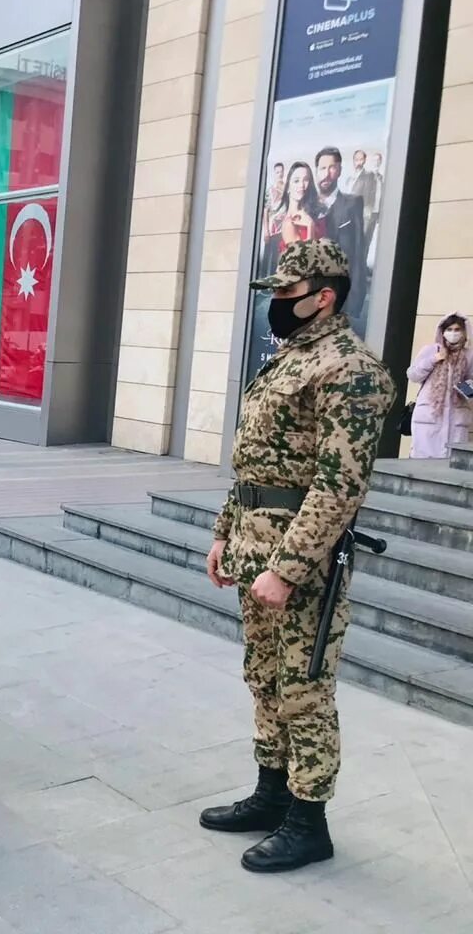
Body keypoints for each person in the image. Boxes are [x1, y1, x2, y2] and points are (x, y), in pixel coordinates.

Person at [203, 239, 394, 873]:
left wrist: (287, 569)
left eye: (286, 295)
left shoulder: (350, 369)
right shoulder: (291, 357)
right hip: (253, 541)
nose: (276, 306)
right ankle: (270, 793)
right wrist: (224, 532)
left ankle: (309, 822)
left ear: (324, 297)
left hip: (302, 560)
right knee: (263, 676)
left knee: (303, 689)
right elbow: (252, 461)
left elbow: (339, 485)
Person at [406, 313, 473, 459]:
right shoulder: (431, 350)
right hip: (430, 415)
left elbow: (471, 387)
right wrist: (434, 359)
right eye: (449, 329)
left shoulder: (469, 355)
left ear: (464, 332)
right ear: (442, 332)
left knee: (449, 461)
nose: (453, 333)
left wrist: (461, 386)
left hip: (456, 417)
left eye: (457, 329)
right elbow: (413, 375)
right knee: (422, 460)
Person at [314, 148, 368, 320]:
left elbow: (359, 254)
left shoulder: (352, 204)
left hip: (340, 303)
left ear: (339, 171)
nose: (326, 174)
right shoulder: (307, 207)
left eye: (332, 168)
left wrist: (355, 302)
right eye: (322, 168)